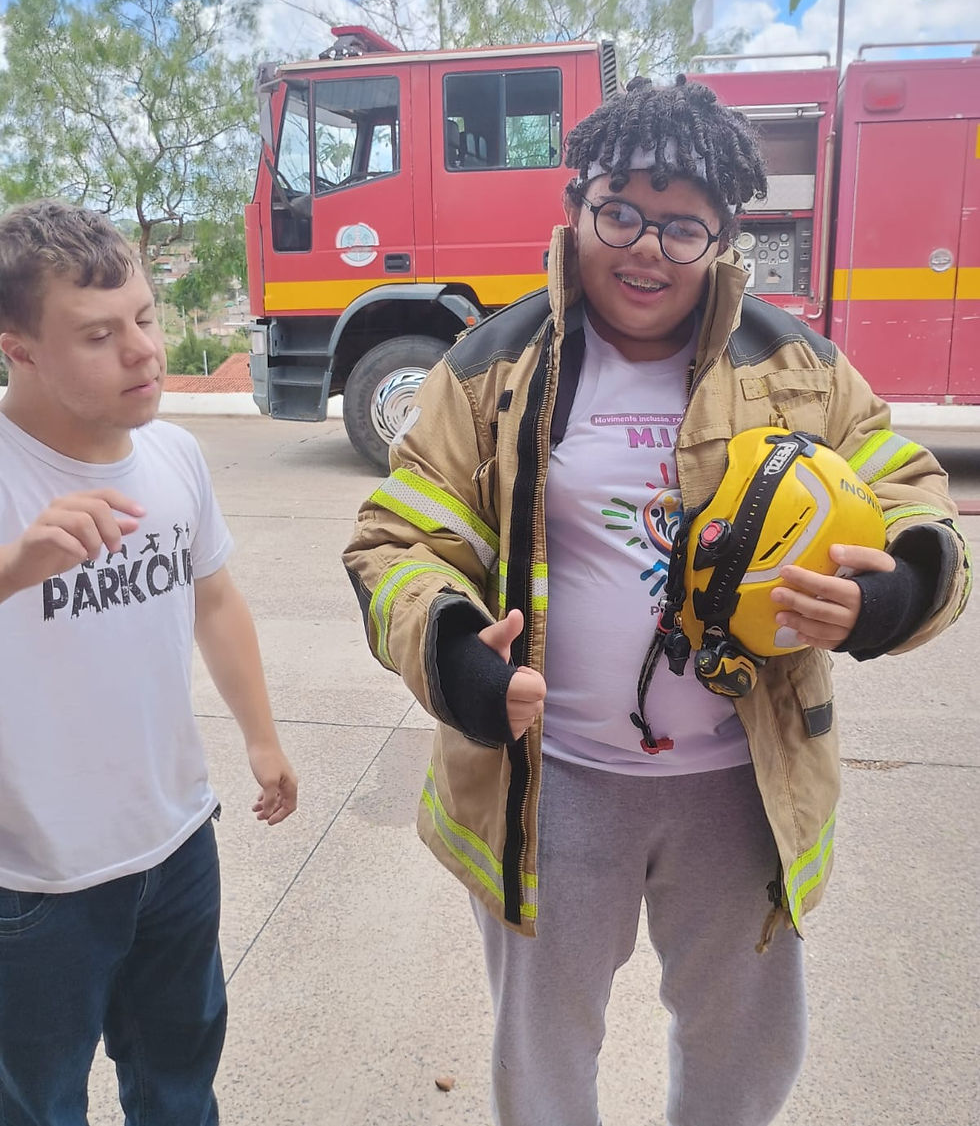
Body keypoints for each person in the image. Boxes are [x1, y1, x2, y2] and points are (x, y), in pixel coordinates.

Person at [343, 77, 971, 1126]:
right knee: (542, 1060)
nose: (645, 249)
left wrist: (892, 595)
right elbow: (396, 535)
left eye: (683, 228)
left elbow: (909, 492)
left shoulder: (796, 367)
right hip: (556, 788)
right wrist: (451, 651)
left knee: (742, 1054)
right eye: (620, 212)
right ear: (574, 202)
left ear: (725, 236)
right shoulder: (493, 364)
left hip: (739, 789)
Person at [0, 199, 298, 1125]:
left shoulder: (175, 454)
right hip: (34, 882)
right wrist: (14, 568)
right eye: (98, 334)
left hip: (176, 844)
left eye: (144, 316)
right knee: (38, 1103)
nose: (142, 351)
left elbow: (213, 596)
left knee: (177, 1085)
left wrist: (262, 737)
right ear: (17, 347)